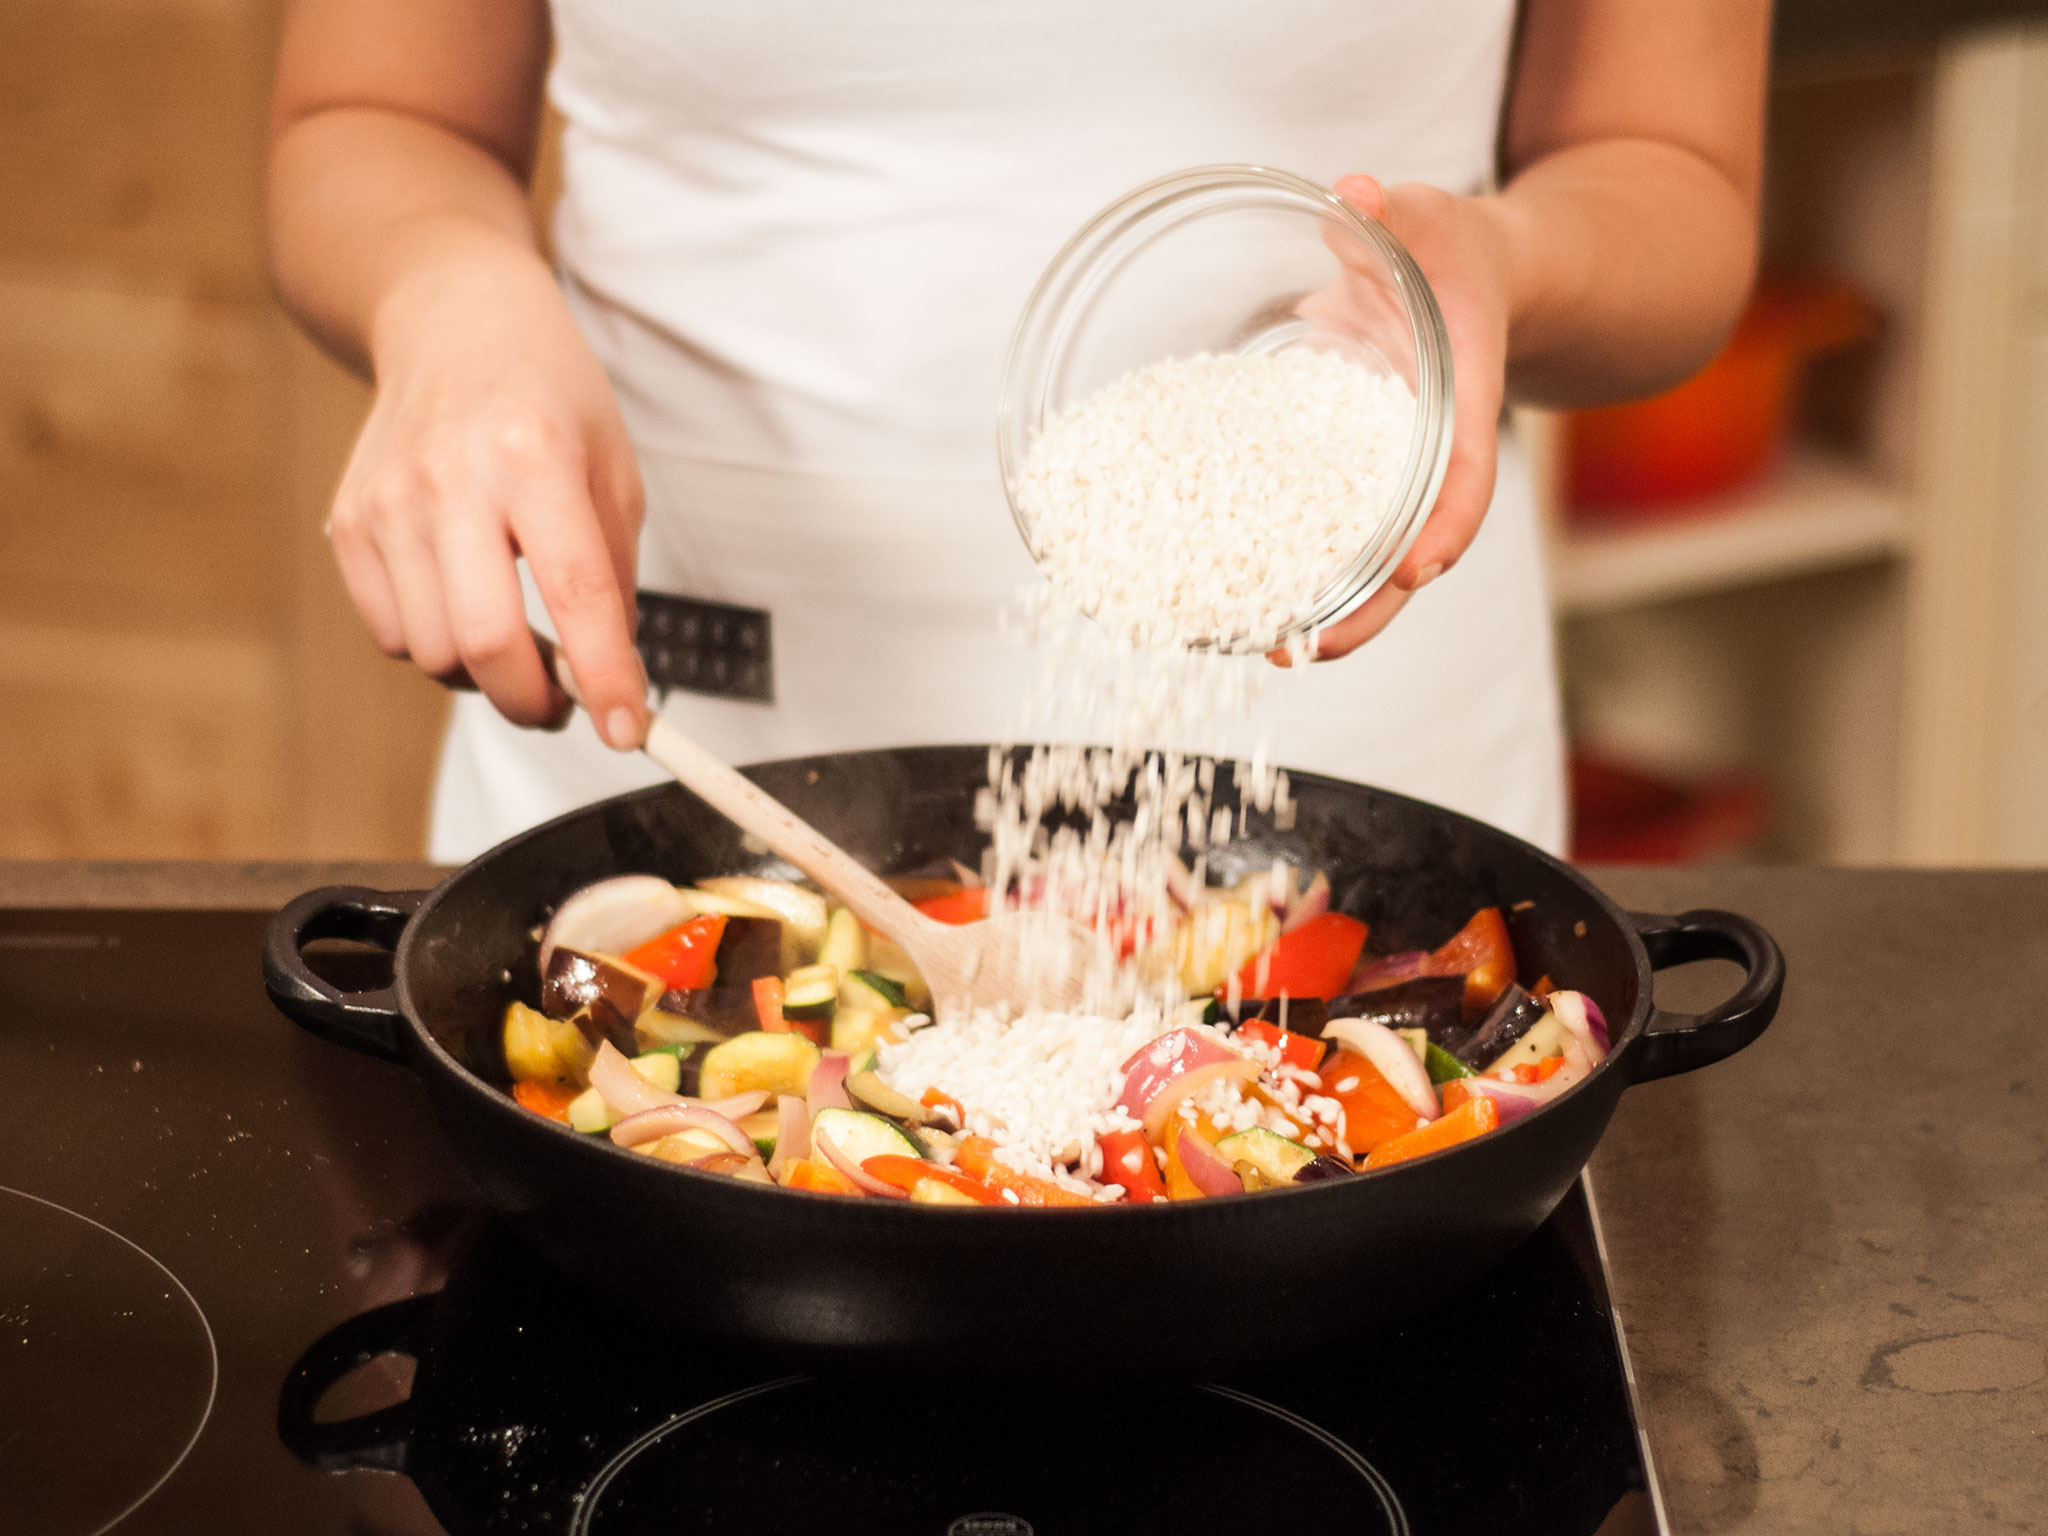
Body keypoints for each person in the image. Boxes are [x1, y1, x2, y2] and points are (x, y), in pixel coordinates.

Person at [268, 1, 1769, 863]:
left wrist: (1503, 264)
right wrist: (452, 300)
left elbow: (1668, 167)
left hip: (1337, 743)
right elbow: (371, 111)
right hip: (673, 731)